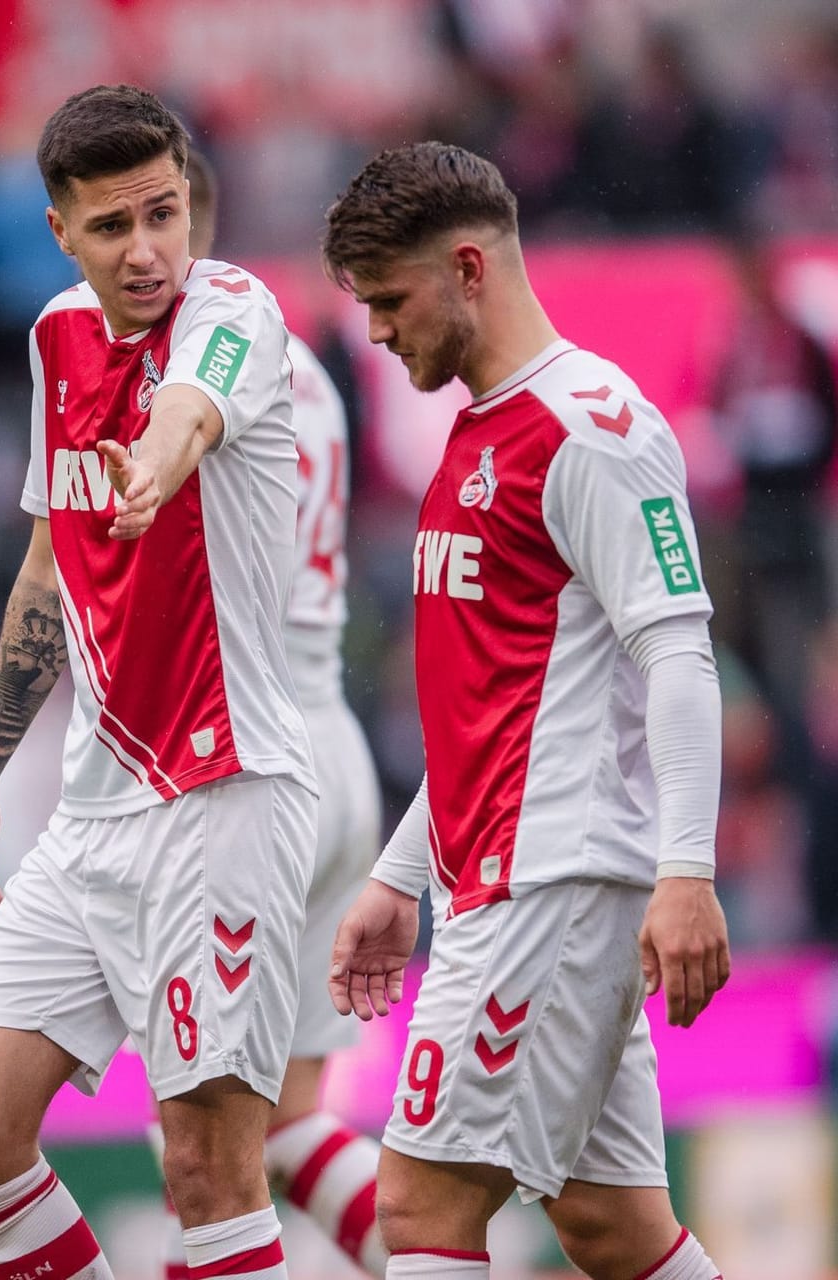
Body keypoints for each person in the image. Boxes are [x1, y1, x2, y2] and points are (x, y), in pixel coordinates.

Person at [0, 85, 316, 1280]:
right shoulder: (54, 338)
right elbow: (50, 563)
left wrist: (149, 465)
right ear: (59, 232)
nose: (146, 250)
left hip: (224, 794)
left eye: (163, 214)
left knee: (205, 1167)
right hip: (96, 811)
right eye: (111, 228)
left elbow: (187, 411)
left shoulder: (233, 307)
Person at [322, 142, 729, 1280]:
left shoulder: (595, 427)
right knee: (612, 1225)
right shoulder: (477, 430)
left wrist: (686, 870)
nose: (381, 332)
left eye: (391, 301)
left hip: (552, 879)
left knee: (422, 1201)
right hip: (501, 870)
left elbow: (678, 649)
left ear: (466, 267)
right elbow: (487, 704)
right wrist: (404, 876)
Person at [143, 149, 386, 1280]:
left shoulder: (189, 372)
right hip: (331, 741)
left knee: (199, 1150)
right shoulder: (305, 364)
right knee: (280, 1130)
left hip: (243, 767)